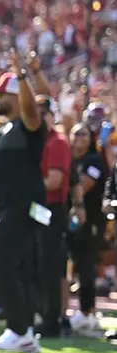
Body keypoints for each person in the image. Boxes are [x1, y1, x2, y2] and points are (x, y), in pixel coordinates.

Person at [0, 55, 48, 353]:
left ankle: (19, 329)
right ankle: (25, 330)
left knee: (1, 262)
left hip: (21, 206)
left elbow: (32, 111)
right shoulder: (2, 129)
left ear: (15, 96)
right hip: (7, 207)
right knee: (14, 268)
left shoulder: (29, 126)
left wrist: (22, 78)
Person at [35, 97, 70, 339]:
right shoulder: (38, 141)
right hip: (39, 208)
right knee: (38, 264)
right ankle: (42, 316)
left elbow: (55, 180)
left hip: (51, 208)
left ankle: (51, 322)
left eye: (41, 113)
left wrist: (28, 190)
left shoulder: (57, 142)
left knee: (50, 267)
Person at [68, 122, 106, 337]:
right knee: (78, 265)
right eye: (76, 134)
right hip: (74, 219)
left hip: (90, 219)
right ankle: (83, 310)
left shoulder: (94, 161)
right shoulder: (73, 160)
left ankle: (88, 311)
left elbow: (83, 185)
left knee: (87, 264)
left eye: (84, 133)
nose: (80, 137)